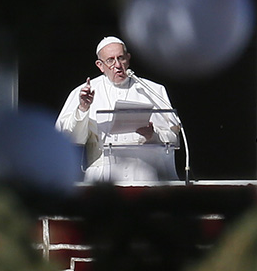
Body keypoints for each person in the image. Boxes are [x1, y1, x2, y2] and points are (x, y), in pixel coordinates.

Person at [56, 36, 180, 183]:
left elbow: (174, 138)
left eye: (121, 58)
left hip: (146, 175)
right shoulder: (82, 93)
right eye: (110, 60)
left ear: (128, 58)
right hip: (104, 178)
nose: (117, 65)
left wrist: (152, 135)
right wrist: (83, 108)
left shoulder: (153, 90)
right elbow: (68, 139)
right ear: (100, 65)